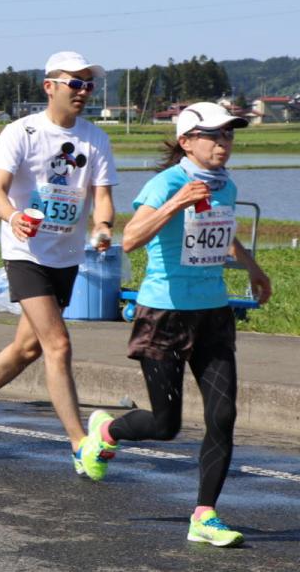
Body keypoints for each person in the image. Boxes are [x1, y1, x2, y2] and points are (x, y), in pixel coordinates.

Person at [77, 103, 270, 547]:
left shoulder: (225, 184)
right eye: (213, 136)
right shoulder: (167, 182)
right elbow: (133, 239)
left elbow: (221, 228)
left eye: (229, 136)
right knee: (167, 425)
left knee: (223, 416)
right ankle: (104, 434)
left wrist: (252, 266)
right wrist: (176, 202)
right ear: (187, 141)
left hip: (213, 313)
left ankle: (205, 515)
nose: (223, 143)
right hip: (163, 312)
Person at [0, 51, 116, 479]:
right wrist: (14, 217)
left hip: (65, 255)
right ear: (50, 86)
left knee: (28, 348)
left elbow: (101, 196)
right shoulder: (20, 132)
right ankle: (80, 443)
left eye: (88, 85)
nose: (83, 92)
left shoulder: (95, 138)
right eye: (74, 83)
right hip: (24, 253)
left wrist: (102, 227)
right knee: (57, 345)